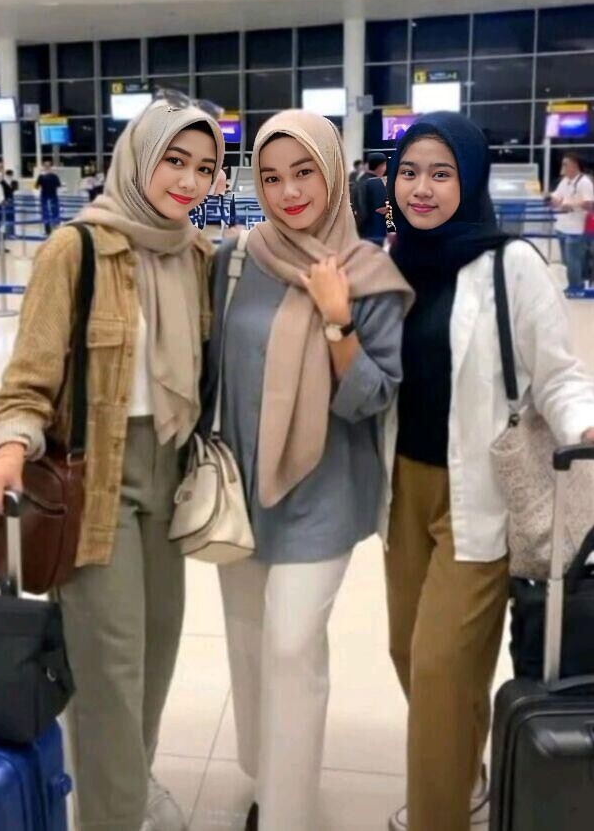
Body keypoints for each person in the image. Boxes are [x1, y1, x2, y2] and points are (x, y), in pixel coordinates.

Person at [0, 101, 226, 831]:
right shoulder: (76, 250)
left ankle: (128, 794)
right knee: (109, 674)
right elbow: (28, 383)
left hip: (170, 478)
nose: (189, 181)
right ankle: (113, 816)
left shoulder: (195, 255)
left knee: (154, 660)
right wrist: (9, 450)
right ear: (139, 158)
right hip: (96, 484)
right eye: (174, 161)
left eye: (204, 168)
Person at [380, 112, 594, 831]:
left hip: (479, 493)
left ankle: (438, 814)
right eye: (411, 172)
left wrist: (585, 425)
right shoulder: (394, 261)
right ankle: (464, 772)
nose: (422, 188)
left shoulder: (512, 265)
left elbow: (558, 375)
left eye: (441, 173)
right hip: (402, 490)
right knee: (406, 651)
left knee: (441, 671)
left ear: (469, 180)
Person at [203, 109, 412, 831]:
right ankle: (266, 776)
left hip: (324, 493)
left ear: (332, 174)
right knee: (248, 644)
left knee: (292, 647)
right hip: (241, 490)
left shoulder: (368, 273)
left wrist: (336, 319)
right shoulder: (237, 260)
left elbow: (373, 397)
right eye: (270, 177)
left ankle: (287, 813)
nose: (288, 192)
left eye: (303, 173)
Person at [549, 151, 594, 291]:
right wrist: (551, 199)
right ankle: (571, 286)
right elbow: (557, 195)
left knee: (573, 261)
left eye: (565, 164)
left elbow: (589, 204)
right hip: (562, 226)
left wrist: (572, 205)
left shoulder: (584, 182)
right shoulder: (565, 181)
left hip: (576, 229)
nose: (562, 167)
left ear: (574, 165)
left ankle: (576, 288)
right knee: (566, 262)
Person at [355, 152, 389, 244]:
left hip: (360, 232)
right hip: (375, 234)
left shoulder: (359, 181)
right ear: (381, 166)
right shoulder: (376, 182)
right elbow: (381, 209)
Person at [35, 159, 62, 235]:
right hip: (49, 196)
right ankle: (52, 230)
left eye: (47, 165)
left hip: (48, 196)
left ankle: (50, 230)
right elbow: (59, 186)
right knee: (51, 213)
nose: (46, 167)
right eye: (46, 165)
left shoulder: (42, 176)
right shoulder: (53, 176)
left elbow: (36, 187)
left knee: (48, 213)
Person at [1, 169, 19, 238]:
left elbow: (15, 189)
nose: (11, 176)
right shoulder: (3, 182)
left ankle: (11, 233)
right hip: (6, 200)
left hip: (11, 200)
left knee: (11, 217)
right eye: (10, 175)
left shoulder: (13, 182)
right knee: (6, 217)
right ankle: (7, 233)